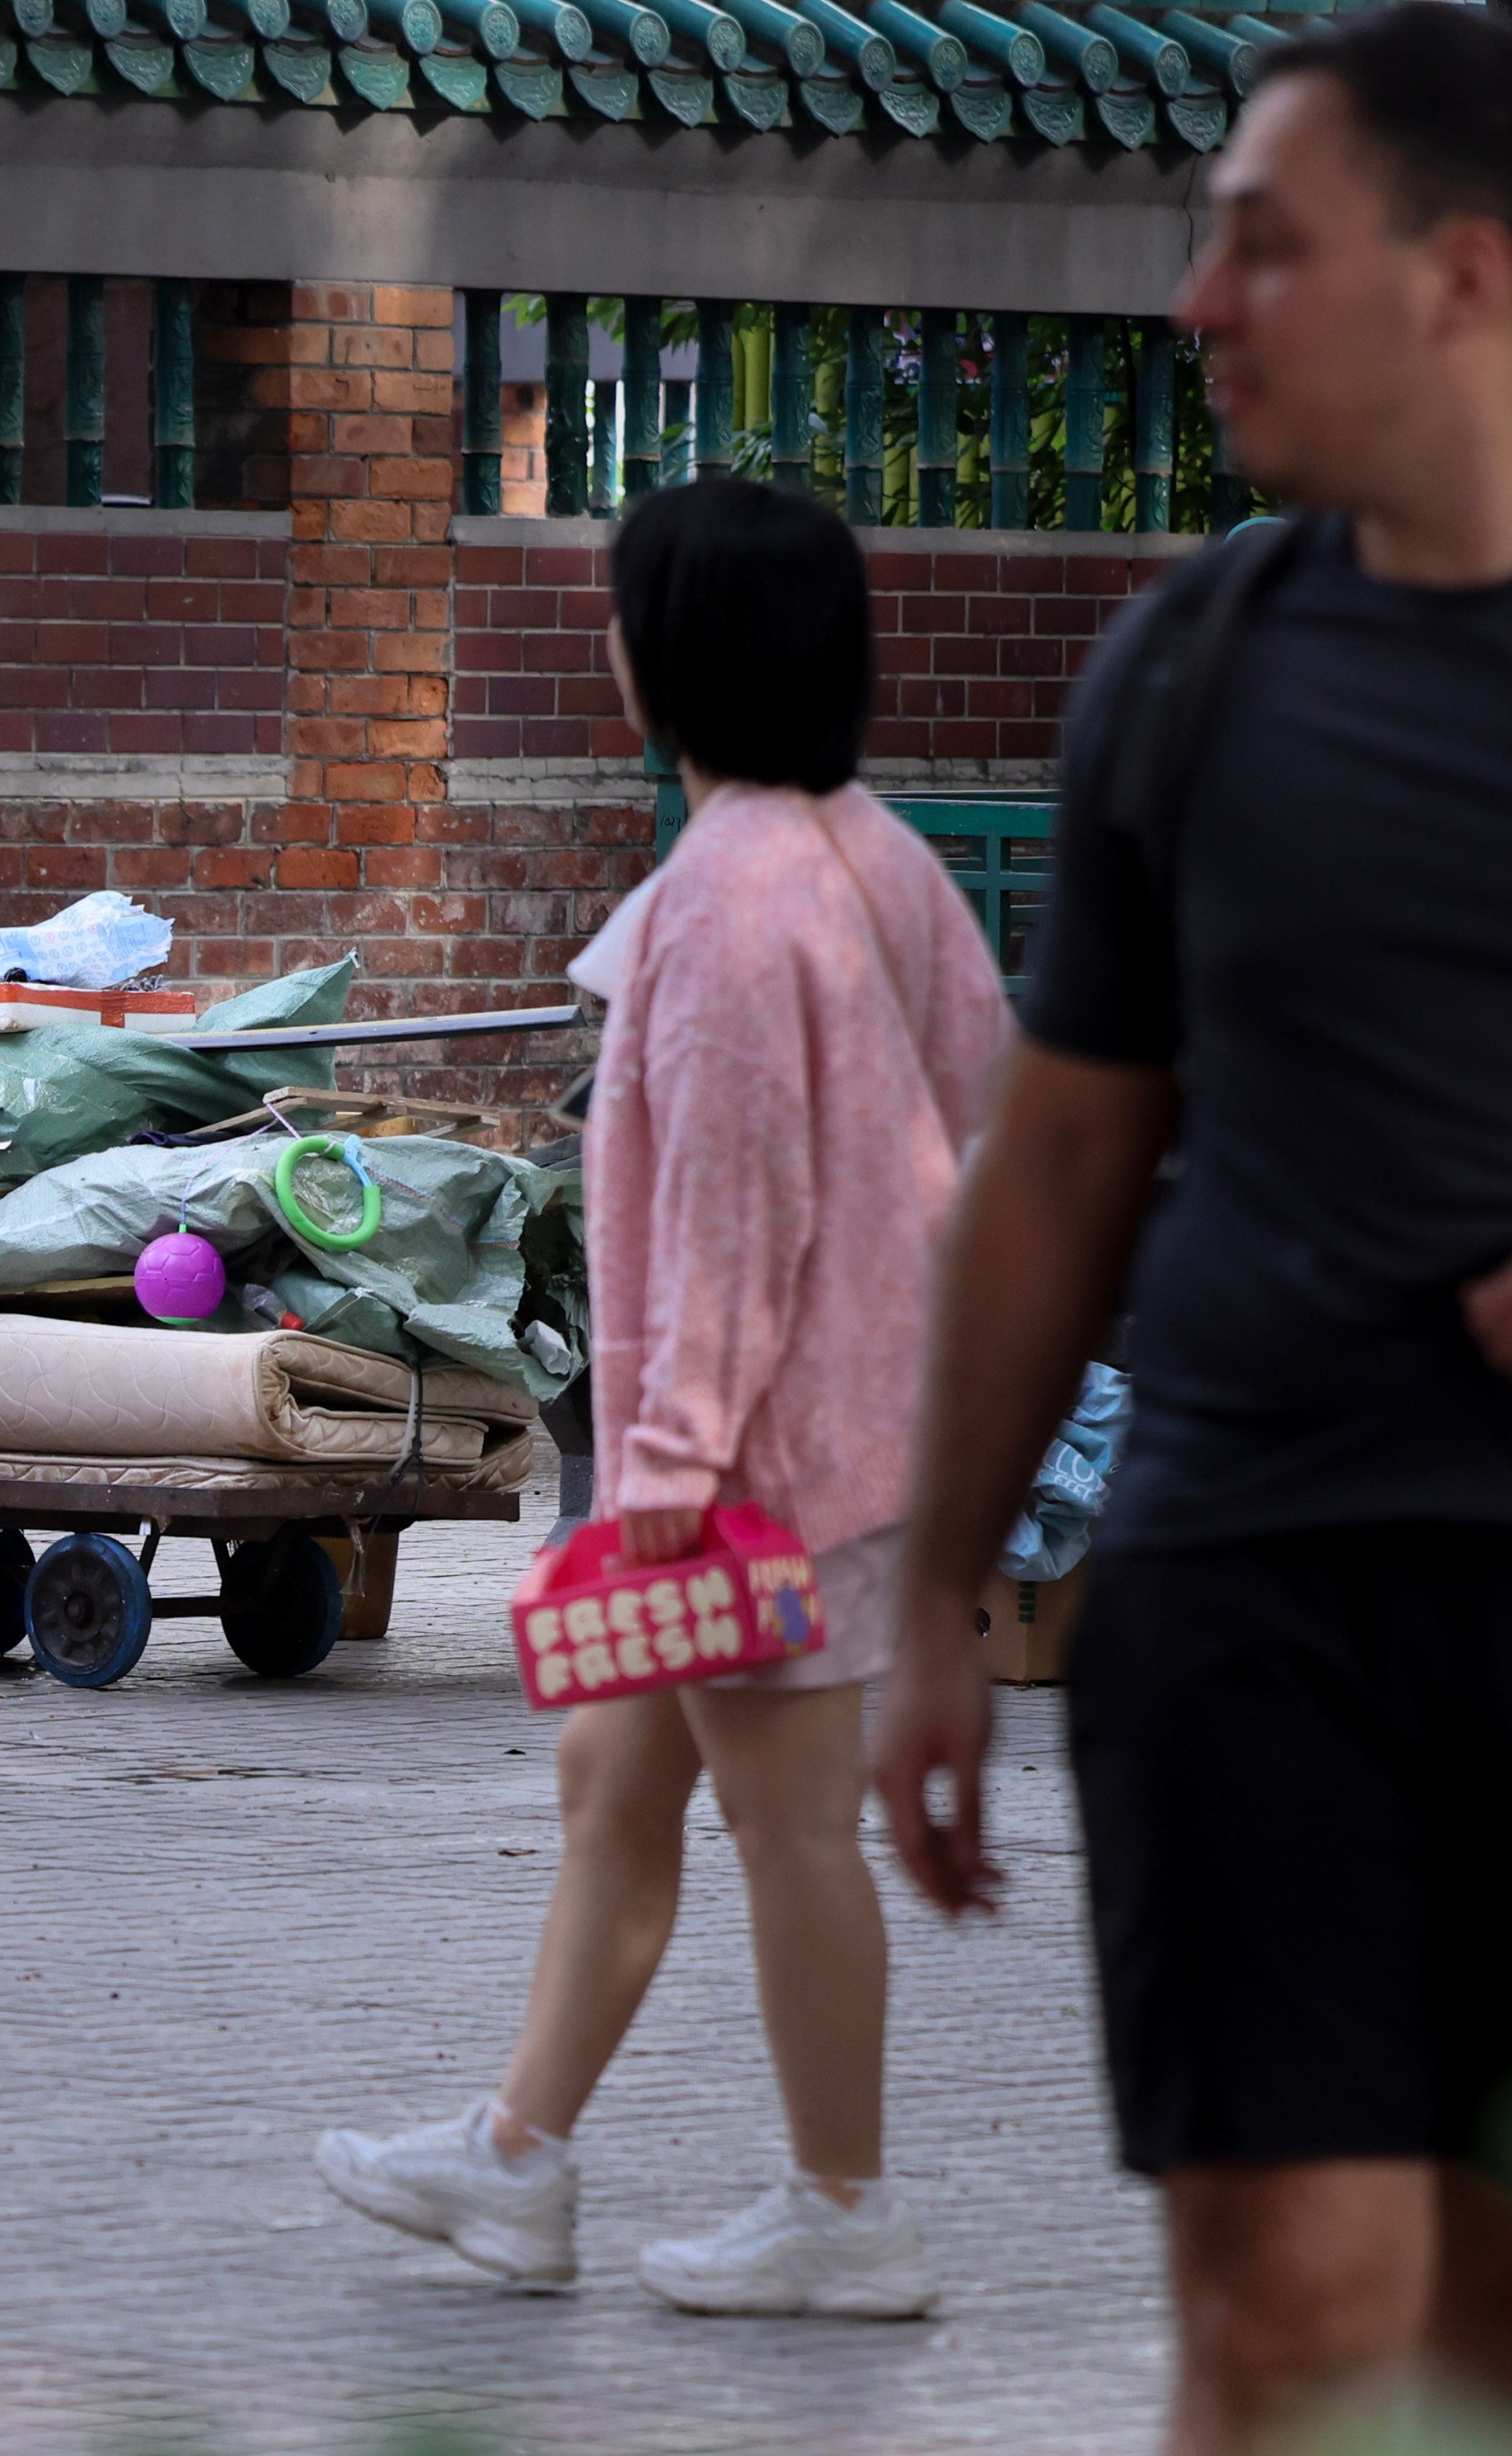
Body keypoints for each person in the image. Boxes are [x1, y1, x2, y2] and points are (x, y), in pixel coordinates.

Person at [872, 11, 1512, 2448]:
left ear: (1454, 277)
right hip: (1242, 1580)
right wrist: (931, 1590)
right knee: (1280, 2320)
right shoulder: (1196, 668)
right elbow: (1056, 1158)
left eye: (1258, 241)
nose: (1192, 301)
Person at [315, 480, 1008, 2314]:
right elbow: (976, 1108)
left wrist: (676, 1470)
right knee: (611, 1782)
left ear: (675, 654)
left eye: (627, 609)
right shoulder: (876, 856)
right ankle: (517, 2159)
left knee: (785, 1829)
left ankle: (844, 2213)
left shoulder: (721, 907)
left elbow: (725, 1222)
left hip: (745, 1468)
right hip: (846, 1439)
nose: (610, 638)